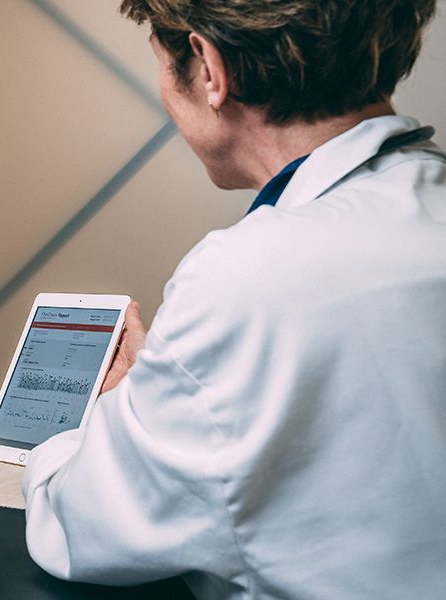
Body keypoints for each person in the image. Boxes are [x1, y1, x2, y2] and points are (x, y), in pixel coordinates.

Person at [23, 1, 445, 598]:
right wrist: (177, 393)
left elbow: (83, 528)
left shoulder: (246, 276)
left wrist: (112, 414)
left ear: (209, 68)